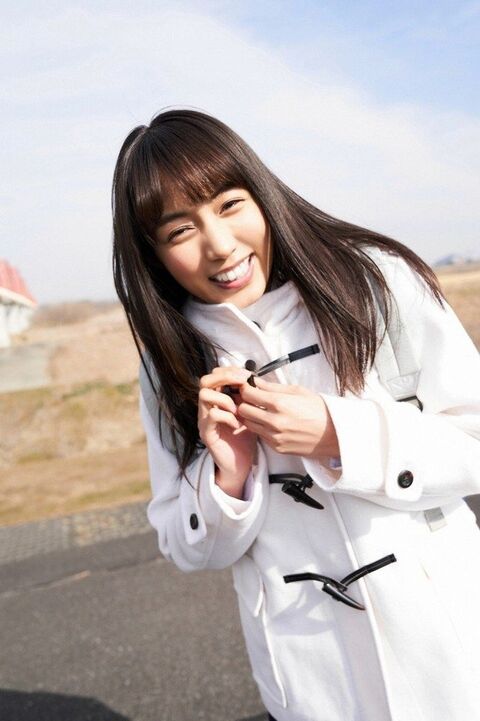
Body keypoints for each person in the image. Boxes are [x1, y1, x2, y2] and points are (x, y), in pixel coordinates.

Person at [111, 108, 480, 721]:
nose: (219, 245)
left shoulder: (375, 284)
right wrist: (227, 479)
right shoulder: (170, 364)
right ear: (154, 254)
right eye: (180, 231)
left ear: (263, 193)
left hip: (451, 654)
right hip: (310, 681)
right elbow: (186, 547)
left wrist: (339, 435)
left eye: (229, 205)